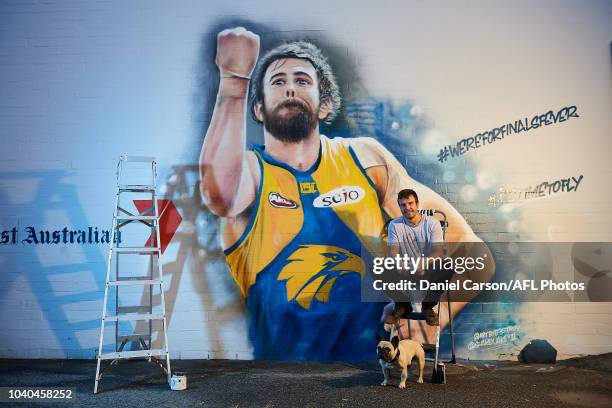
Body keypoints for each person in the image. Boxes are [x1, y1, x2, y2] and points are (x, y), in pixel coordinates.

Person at [198, 27, 490, 360]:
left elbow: (471, 252)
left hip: (372, 376)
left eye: (303, 80)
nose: (290, 86)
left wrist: (431, 323)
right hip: (283, 383)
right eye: (278, 82)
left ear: (324, 106)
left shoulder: (365, 159)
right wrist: (234, 82)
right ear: (259, 110)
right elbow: (218, 195)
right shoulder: (248, 172)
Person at [383, 188, 453, 326]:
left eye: (410, 203)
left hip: (428, 270)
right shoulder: (395, 225)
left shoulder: (432, 223)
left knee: (447, 265)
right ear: (399, 206)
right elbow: (393, 251)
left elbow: (438, 251)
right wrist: (399, 262)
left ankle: (428, 307)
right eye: (403, 205)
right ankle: (402, 305)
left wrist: (425, 262)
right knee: (378, 266)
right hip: (406, 270)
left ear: (417, 204)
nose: (407, 208)